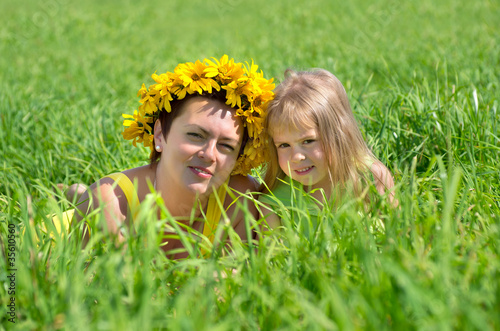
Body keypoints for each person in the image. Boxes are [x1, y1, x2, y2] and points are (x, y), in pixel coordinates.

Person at [66, 55, 275, 259]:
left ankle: (74, 193)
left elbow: (230, 284)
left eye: (227, 146)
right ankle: (74, 197)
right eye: (195, 135)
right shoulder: (110, 203)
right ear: (159, 134)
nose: (210, 154)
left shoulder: (239, 199)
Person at [260, 69, 395, 228]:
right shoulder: (275, 201)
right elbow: (271, 251)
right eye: (284, 145)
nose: (296, 157)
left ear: (340, 135)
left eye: (308, 141)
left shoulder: (370, 177)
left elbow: (399, 235)